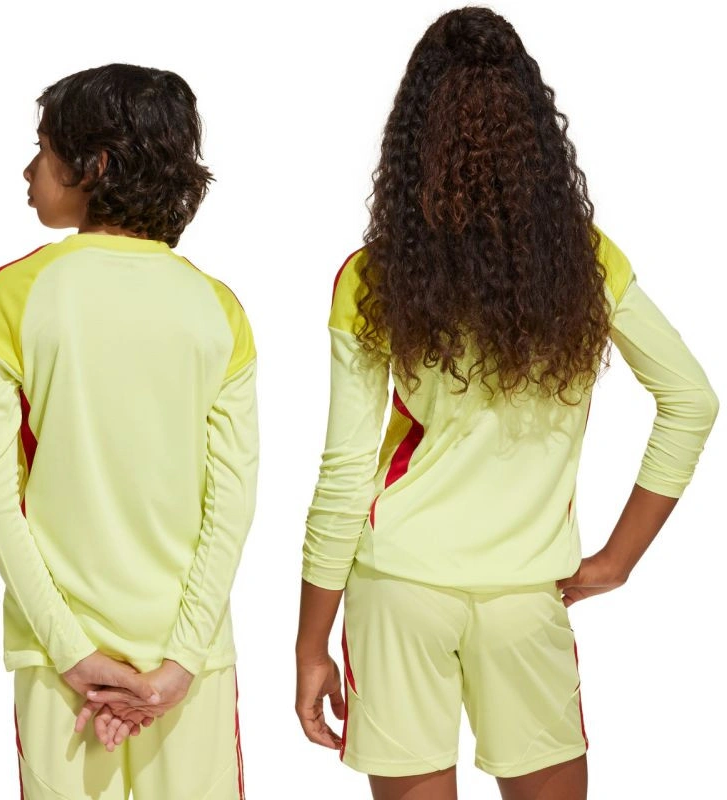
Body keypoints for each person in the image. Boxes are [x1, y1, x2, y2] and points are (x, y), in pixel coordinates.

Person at [294, 8, 718, 800]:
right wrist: (618, 560)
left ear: (414, 132)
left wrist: (309, 643)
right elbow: (691, 399)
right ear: (533, 128)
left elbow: (346, 471)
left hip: (398, 587)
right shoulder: (587, 264)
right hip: (527, 594)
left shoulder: (375, 275)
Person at [0, 64, 257, 800]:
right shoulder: (218, 309)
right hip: (188, 663)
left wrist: (69, 651)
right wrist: (180, 661)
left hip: (58, 664)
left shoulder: (12, 296)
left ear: (93, 165)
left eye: (42, 150)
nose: (28, 170)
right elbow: (232, 502)